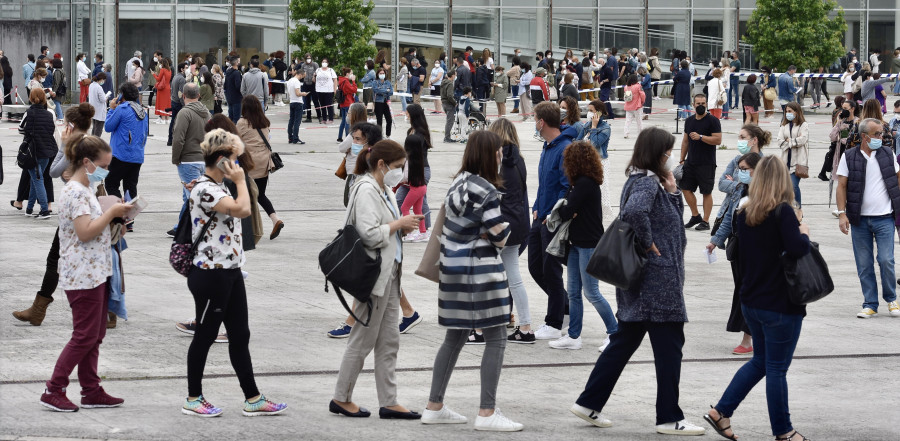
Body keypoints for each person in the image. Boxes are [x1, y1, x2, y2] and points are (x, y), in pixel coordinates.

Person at [570, 127, 704, 436]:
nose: (671, 156)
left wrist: (671, 193)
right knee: (670, 347)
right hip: (657, 281)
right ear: (659, 153)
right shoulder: (647, 182)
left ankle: (589, 402)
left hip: (642, 281)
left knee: (624, 341)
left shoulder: (644, 180)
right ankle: (670, 418)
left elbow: (659, 217)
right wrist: (648, 243)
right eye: (668, 151)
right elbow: (634, 213)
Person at [180, 129, 287, 417]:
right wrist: (240, 181)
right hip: (210, 273)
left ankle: (253, 397)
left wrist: (236, 180)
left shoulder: (217, 185)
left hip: (230, 271)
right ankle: (193, 398)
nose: (238, 166)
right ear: (221, 160)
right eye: (235, 160)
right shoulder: (207, 189)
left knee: (240, 334)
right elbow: (242, 210)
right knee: (205, 334)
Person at [705, 155, 812, 441]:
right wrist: (803, 232)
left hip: (751, 299)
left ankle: (721, 411)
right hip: (779, 302)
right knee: (776, 368)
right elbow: (797, 249)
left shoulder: (745, 212)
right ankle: (784, 431)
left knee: (761, 362)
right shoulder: (782, 213)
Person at [420, 130, 520, 431]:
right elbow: (499, 234)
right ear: (490, 155)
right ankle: (487, 412)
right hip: (481, 274)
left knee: (455, 337)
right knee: (497, 338)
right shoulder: (486, 189)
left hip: (453, 271)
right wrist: (500, 230)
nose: (501, 155)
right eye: (499, 151)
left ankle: (434, 405)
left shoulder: (458, 183)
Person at [330, 139, 423, 420]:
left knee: (389, 340)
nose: (400, 173)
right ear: (382, 165)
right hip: (373, 275)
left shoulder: (383, 189)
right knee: (362, 339)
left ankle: (389, 400)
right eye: (397, 167)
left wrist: (402, 228)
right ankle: (341, 397)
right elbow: (369, 234)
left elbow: (385, 229)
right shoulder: (367, 189)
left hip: (390, 274)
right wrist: (399, 225)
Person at [37, 135, 130, 412]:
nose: (106, 171)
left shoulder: (87, 188)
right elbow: (85, 231)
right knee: (84, 335)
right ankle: (54, 388)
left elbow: (95, 227)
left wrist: (117, 221)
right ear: (87, 162)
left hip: (95, 271)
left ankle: (91, 390)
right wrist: (110, 211)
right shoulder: (76, 192)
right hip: (82, 274)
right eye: (104, 165)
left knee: (95, 333)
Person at [12, 103, 96, 326]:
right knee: (90, 258)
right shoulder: (91, 143)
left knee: (55, 258)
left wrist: (63, 146)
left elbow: (54, 171)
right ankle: (109, 310)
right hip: (87, 206)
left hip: (77, 210)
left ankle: (38, 310)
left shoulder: (75, 145)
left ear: (72, 124)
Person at [548, 140, 618, 352]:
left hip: (588, 244)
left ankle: (615, 333)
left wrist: (568, 209)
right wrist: (569, 209)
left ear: (576, 161)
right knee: (574, 292)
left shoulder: (586, 184)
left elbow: (566, 212)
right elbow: (568, 210)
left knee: (591, 292)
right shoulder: (578, 183)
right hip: (576, 243)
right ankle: (573, 335)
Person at [836, 118, 900, 319]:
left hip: (884, 219)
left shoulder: (888, 154)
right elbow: (842, 186)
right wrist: (841, 214)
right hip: (859, 220)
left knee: (886, 259)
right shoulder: (849, 156)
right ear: (864, 136)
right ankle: (870, 303)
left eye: (882, 134)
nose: (882, 137)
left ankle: (891, 299)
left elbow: (897, 179)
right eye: (877, 134)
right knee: (864, 264)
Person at [708, 146, 765, 357]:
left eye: (744, 168)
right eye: (739, 168)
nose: (740, 172)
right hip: (738, 248)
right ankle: (753, 335)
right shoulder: (740, 190)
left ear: (756, 170)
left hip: (757, 251)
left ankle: (749, 338)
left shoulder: (765, 194)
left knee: (749, 292)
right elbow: (729, 220)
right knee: (742, 291)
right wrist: (715, 241)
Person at [528, 102, 574, 340]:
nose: (533, 123)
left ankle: (554, 322)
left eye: (534, 118)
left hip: (552, 221)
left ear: (542, 122)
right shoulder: (547, 147)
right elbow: (544, 184)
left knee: (551, 270)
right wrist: (536, 207)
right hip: (540, 216)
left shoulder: (564, 148)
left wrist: (550, 215)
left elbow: (566, 188)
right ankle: (565, 306)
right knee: (535, 267)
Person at [485, 118, 533, 343]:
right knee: (512, 277)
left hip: (501, 224)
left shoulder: (498, 161)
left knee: (490, 276)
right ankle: (524, 326)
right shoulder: (519, 160)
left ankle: (488, 325)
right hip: (518, 222)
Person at [236, 95, 283, 240]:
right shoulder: (265, 122)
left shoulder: (242, 123)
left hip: (249, 163)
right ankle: (275, 219)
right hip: (264, 162)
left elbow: (236, 141)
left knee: (245, 196)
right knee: (260, 194)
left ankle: (248, 229)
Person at [168, 82, 209, 237]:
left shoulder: (185, 113)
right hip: (203, 159)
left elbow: (178, 138)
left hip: (188, 160)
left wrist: (176, 158)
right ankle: (183, 225)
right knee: (192, 195)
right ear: (198, 95)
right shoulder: (206, 112)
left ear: (183, 96)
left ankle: (183, 228)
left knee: (191, 196)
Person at [680, 93, 722, 231]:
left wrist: (701, 137)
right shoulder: (689, 121)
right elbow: (685, 141)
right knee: (685, 188)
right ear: (693, 105)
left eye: (703, 104)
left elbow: (718, 140)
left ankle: (705, 221)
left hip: (707, 163)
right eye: (698, 104)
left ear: (706, 104)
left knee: (706, 192)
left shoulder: (713, 121)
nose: (701, 106)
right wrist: (682, 159)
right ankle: (695, 215)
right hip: (690, 162)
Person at [104, 82, 148, 206]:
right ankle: (130, 220)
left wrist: (111, 109)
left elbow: (108, 126)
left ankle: (120, 211)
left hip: (120, 155)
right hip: (137, 156)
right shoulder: (142, 112)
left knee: (111, 184)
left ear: (122, 95)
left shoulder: (122, 109)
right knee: (130, 188)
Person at [19, 88, 57, 219]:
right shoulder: (50, 113)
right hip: (47, 151)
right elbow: (52, 129)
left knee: (37, 179)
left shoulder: (28, 113)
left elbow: (20, 128)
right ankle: (29, 209)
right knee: (37, 179)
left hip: (33, 152)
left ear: (31, 98)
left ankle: (44, 210)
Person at [396, 104, 433, 230]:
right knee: (399, 199)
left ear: (413, 115)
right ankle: (394, 224)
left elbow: (414, 154)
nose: (405, 115)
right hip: (409, 170)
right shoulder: (410, 131)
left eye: (407, 113)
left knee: (421, 203)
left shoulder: (420, 134)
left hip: (420, 170)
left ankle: (424, 229)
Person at [776, 102, 809, 208]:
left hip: (798, 163)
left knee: (793, 186)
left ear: (796, 112)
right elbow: (779, 141)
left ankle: (799, 209)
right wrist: (793, 141)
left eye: (790, 111)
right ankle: (789, 209)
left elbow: (803, 139)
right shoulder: (784, 125)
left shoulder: (803, 125)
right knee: (784, 188)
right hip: (785, 162)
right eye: (786, 111)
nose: (787, 114)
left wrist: (789, 141)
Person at [337, 105, 371, 206]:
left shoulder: (355, 132)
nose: (347, 115)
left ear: (355, 115)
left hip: (355, 171)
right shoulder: (370, 129)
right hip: (367, 170)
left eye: (349, 113)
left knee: (349, 201)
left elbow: (342, 147)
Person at [398, 134, 428, 242]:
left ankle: (409, 233)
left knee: (404, 208)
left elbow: (405, 176)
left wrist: (398, 181)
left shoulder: (408, 159)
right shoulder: (419, 158)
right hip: (422, 187)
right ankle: (423, 233)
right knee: (417, 210)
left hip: (415, 188)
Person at [167, 62, 188, 146]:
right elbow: (181, 93)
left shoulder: (176, 76)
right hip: (179, 103)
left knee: (173, 122)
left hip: (174, 102)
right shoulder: (182, 79)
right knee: (181, 123)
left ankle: (170, 139)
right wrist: (184, 104)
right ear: (182, 69)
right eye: (186, 68)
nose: (188, 69)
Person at [285, 67, 307, 145]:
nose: (302, 78)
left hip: (292, 101)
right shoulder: (296, 81)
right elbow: (297, 93)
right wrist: (303, 93)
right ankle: (295, 138)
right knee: (297, 121)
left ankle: (290, 137)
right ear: (300, 74)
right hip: (298, 102)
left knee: (291, 120)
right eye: (303, 76)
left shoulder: (289, 81)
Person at [337, 67, 358, 143]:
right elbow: (354, 90)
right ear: (347, 74)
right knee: (347, 122)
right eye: (351, 73)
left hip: (343, 103)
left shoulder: (341, 80)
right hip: (347, 103)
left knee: (343, 120)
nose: (352, 75)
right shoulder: (346, 82)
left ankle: (339, 137)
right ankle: (347, 138)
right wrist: (353, 81)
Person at [315, 58, 338, 125]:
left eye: (325, 62)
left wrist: (335, 89)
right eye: (323, 62)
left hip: (328, 90)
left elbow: (335, 80)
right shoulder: (318, 70)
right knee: (322, 105)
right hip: (319, 90)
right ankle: (324, 119)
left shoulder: (331, 70)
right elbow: (314, 79)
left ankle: (331, 119)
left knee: (329, 105)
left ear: (327, 63)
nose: (324, 63)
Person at [372, 67, 394, 138]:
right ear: (378, 74)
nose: (382, 74)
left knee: (389, 120)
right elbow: (376, 90)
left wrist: (383, 90)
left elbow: (391, 92)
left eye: (383, 73)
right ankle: (379, 136)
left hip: (386, 102)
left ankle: (388, 135)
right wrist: (385, 90)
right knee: (379, 120)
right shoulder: (375, 82)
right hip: (378, 102)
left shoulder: (387, 82)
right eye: (380, 73)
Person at [623, 74, 645, 139]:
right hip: (637, 106)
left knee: (628, 121)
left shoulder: (626, 87)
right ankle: (641, 134)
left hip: (628, 106)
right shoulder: (638, 86)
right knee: (639, 121)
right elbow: (642, 95)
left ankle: (625, 133)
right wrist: (642, 102)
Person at [299, 53, 320, 122]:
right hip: (306, 84)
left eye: (309, 58)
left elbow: (318, 73)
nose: (309, 60)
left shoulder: (315, 64)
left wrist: (315, 76)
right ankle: (308, 117)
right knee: (307, 102)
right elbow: (301, 73)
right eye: (307, 58)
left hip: (313, 84)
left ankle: (319, 116)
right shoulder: (303, 65)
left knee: (315, 101)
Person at [224, 56, 243, 123]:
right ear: (237, 63)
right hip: (236, 97)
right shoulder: (237, 73)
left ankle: (230, 130)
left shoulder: (228, 72)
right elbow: (238, 86)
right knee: (236, 118)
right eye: (239, 61)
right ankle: (235, 131)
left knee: (231, 116)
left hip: (229, 97)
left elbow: (225, 85)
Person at [153, 58, 172, 124]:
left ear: (162, 64)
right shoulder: (169, 70)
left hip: (162, 89)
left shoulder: (162, 70)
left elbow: (158, 79)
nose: (159, 65)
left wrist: (154, 74)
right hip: (167, 87)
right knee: (167, 103)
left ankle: (163, 119)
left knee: (162, 103)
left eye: (160, 63)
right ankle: (167, 119)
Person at [441, 68, 457, 143]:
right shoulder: (450, 83)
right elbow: (450, 95)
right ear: (453, 75)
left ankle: (447, 136)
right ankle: (447, 137)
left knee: (448, 120)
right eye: (455, 75)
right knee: (450, 121)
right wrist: (455, 103)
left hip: (444, 103)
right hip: (449, 104)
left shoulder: (443, 82)